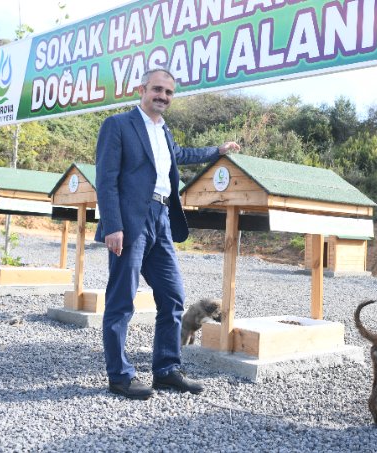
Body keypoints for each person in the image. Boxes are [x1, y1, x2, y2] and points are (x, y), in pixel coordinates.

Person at [94, 68, 240, 400]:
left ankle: (166, 370)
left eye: (169, 92)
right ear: (142, 90)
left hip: (162, 219)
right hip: (131, 221)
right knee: (121, 300)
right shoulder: (118, 125)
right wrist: (113, 225)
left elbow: (181, 155)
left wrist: (217, 150)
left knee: (173, 296)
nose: (163, 96)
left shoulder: (164, 131)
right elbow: (106, 179)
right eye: (157, 89)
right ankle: (120, 376)